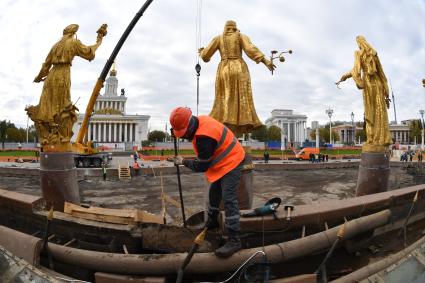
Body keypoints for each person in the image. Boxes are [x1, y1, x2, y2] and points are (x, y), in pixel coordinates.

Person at [169, 107, 245, 258]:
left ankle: (235, 239)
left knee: (228, 198)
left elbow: (201, 166)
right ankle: (213, 222)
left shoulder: (204, 137)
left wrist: (182, 161)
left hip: (233, 159)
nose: (185, 137)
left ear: (190, 126)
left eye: (185, 134)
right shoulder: (199, 122)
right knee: (213, 193)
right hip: (222, 160)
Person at [26, 23, 107, 146]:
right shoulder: (74, 43)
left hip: (51, 76)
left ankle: (51, 136)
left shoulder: (55, 46)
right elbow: (89, 53)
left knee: (48, 106)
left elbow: (46, 65)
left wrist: (38, 77)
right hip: (63, 75)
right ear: (73, 33)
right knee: (63, 105)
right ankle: (61, 136)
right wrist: (99, 41)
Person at [199, 21, 275, 135]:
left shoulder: (218, 38)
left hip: (224, 70)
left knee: (225, 97)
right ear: (235, 27)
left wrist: (201, 52)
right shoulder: (241, 36)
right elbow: (250, 49)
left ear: (225, 28)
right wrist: (265, 61)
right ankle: (236, 125)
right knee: (241, 98)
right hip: (240, 68)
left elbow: (205, 57)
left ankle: (226, 126)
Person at [337, 36, 392, 152]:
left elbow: (356, 70)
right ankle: (380, 140)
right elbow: (382, 74)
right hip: (378, 84)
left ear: (359, 43)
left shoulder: (358, 53)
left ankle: (371, 140)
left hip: (368, 84)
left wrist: (346, 76)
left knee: (370, 112)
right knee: (380, 113)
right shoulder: (374, 53)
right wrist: (386, 90)